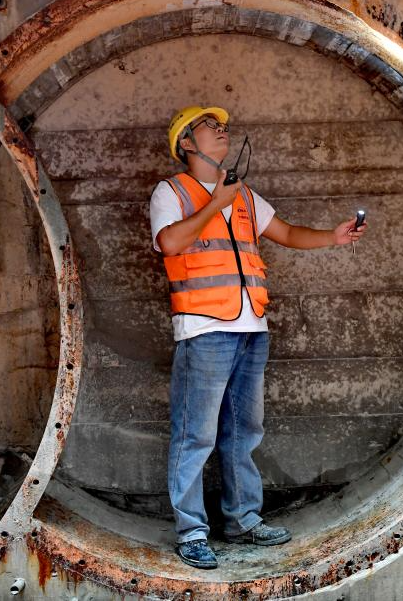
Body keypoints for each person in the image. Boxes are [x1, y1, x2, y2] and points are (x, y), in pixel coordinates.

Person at [149, 105, 367, 569]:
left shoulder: (244, 194)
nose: (221, 131)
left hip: (252, 329)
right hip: (205, 330)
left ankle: (242, 520)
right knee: (195, 435)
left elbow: (285, 232)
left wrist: (332, 237)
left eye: (224, 126)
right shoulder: (171, 192)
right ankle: (192, 532)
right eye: (210, 126)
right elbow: (169, 244)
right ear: (186, 143)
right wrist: (215, 204)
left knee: (243, 432)